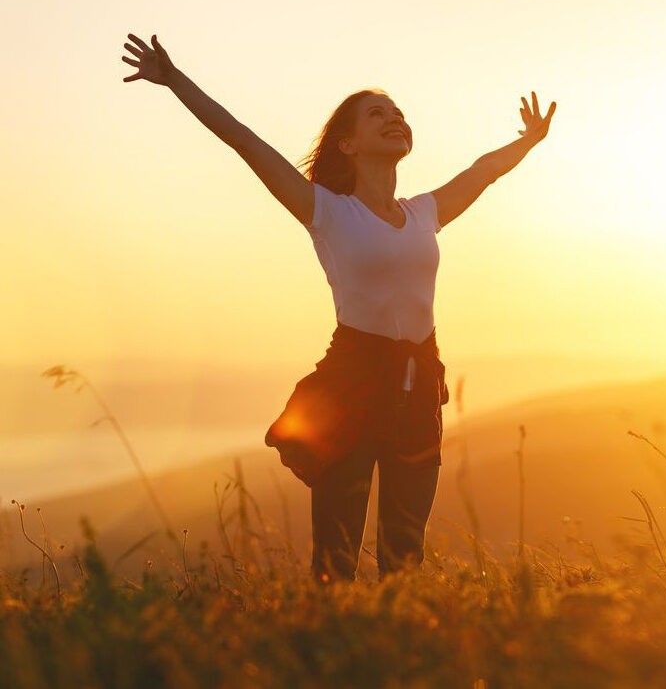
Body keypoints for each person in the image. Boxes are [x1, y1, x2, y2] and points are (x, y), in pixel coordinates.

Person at [121, 32, 556, 583]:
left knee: (405, 551)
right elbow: (244, 141)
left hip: (419, 384)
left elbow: (483, 171)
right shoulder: (324, 209)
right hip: (352, 382)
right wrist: (175, 80)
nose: (394, 119)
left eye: (398, 113)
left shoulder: (426, 212)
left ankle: (397, 654)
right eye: (377, 114)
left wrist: (529, 141)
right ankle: (327, 655)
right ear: (347, 144)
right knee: (336, 553)